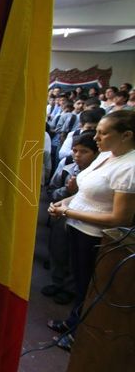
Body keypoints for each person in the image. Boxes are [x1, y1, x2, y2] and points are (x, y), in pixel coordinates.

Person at [47, 110, 135, 351]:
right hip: (77, 227)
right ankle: (74, 321)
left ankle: (80, 333)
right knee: (78, 282)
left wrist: (68, 212)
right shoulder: (106, 155)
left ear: (126, 135)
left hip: (95, 237)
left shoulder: (130, 167)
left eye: (102, 133)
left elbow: (120, 217)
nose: (95, 137)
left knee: (88, 286)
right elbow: (84, 192)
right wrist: (64, 203)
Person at [43, 132, 99, 305]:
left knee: (75, 256)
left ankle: (69, 288)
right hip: (62, 216)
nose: (77, 155)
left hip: (83, 220)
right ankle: (56, 281)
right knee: (58, 249)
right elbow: (52, 191)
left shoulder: (97, 174)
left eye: (84, 151)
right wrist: (67, 191)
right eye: (75, 150)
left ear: (96, 154)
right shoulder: (66, 164)